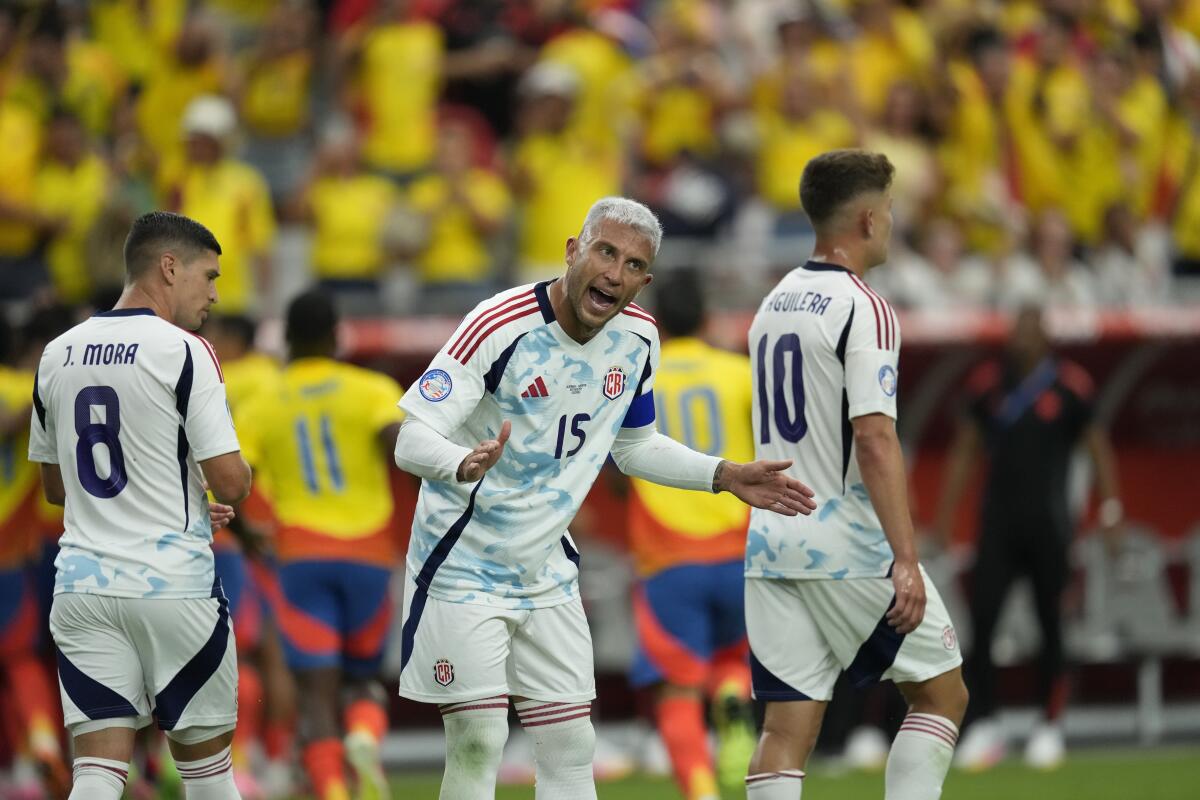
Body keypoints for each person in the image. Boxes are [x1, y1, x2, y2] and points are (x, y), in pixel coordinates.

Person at [392, 196, 817, 800]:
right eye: (605, 252)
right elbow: (411, 437)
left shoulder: (639, 338)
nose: (615, 273)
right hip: (462, 566)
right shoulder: (500, 324)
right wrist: (460, 461)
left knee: (572, 745)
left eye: (634, 264)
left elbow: (635, 446)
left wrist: (722, 473)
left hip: (546, 569)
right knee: (480, 739)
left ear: (645, 281)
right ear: (573, 251)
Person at [743, 149, 968, 800]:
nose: (894, 224)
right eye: (891, 211)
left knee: (784, 733)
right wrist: (905, 556)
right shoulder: (863, 307)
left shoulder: (774, 302)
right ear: (868, 221)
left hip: (771, 544)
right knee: (942, 696)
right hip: (843, 545)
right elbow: (873, 437)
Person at [26, 210, 251, 800]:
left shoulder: (56, 352)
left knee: (97, 776)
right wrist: (211, 492)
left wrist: (181, 494)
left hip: (82, 588)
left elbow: (57, 488)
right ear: (169, 267)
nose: (214, 294)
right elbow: (231, 482)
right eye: (209, 276)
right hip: (171, 587)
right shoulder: (185, 351)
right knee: (207, 775)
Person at [934, 305, 1122, 771]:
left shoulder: (1069, 385)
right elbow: (965, 450)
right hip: (996, 525)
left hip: (1050, 527)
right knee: (981, 622)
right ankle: (984, 724)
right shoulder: (988, 384)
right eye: (1015, 329)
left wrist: (1112, 509)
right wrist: (943, 518)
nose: (1020, 337)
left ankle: (1049, 725)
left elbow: (1098, 447)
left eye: (1029, 329)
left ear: (1045, 335)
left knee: (1052, 627)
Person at [235, 289, 406, 800]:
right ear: (337, 336)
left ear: (286, 340)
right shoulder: (372, 388)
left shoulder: (264, 401)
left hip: (300, 555)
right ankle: (363, 737)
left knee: (315, 691)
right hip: (369, 554)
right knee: (364, 680)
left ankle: (332, 790)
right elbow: (400, 448)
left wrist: (246, 535)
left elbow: (233, 481)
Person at [626, 268, 757, 800]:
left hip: (667, 556)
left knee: (677, 690)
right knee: (732, 660)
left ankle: (701, 791)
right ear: (707, 318)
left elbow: (618, 463)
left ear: (656, 324)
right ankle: (732, 702)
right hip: (737, 547)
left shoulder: (638, 377)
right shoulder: (739, 371)